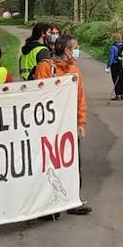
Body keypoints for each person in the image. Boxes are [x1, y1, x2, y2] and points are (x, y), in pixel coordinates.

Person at [52, 36, 92, 215]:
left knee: (74, 163)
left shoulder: (75, 70)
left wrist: (81, 122)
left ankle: (73, 199)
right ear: (67, 50)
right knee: (51, 165)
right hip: (51, 127)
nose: (77, 50)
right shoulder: (46, 68)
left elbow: (80, 99)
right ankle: (50, 205)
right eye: (75, 48)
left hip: (70, 125)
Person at [107, 31, 123, 102]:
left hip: (115, 64)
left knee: (115, 79)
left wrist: (108, 66)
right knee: (121, 79)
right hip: (121, 64)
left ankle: (117, 95)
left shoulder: (113, 47)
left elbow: (111, 58)